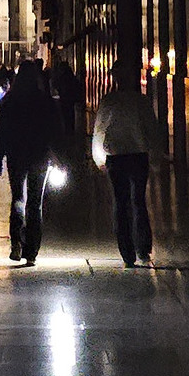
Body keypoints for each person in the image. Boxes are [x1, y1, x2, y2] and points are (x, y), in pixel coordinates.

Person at [0, 60, 62, 266]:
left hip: (16, 155)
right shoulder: (45, 101)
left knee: (18, 199)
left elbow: (2, 132)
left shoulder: (10, 101)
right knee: (35, 203)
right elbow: (55, 131)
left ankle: (16, 243)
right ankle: (31, 251)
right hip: (39, 156)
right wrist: (57, 155)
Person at [92, 60, 161, 267]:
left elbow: (99, 129)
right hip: (138, 155)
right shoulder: (140, 101)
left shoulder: (109, 101)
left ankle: (127, 252)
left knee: (120, 203)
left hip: (116, 157)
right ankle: (143, 248)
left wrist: (98, 157)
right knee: (138, 201)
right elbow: (152, 128)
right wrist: (156, 155)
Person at [48, 56, 84, 141]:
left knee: (65, 113)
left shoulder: (61, 76)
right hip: (69, 98)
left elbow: (56, 84)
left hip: (64, 98)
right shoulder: (70, 76)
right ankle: (70, 129)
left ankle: (67, 130)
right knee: (70, 113)